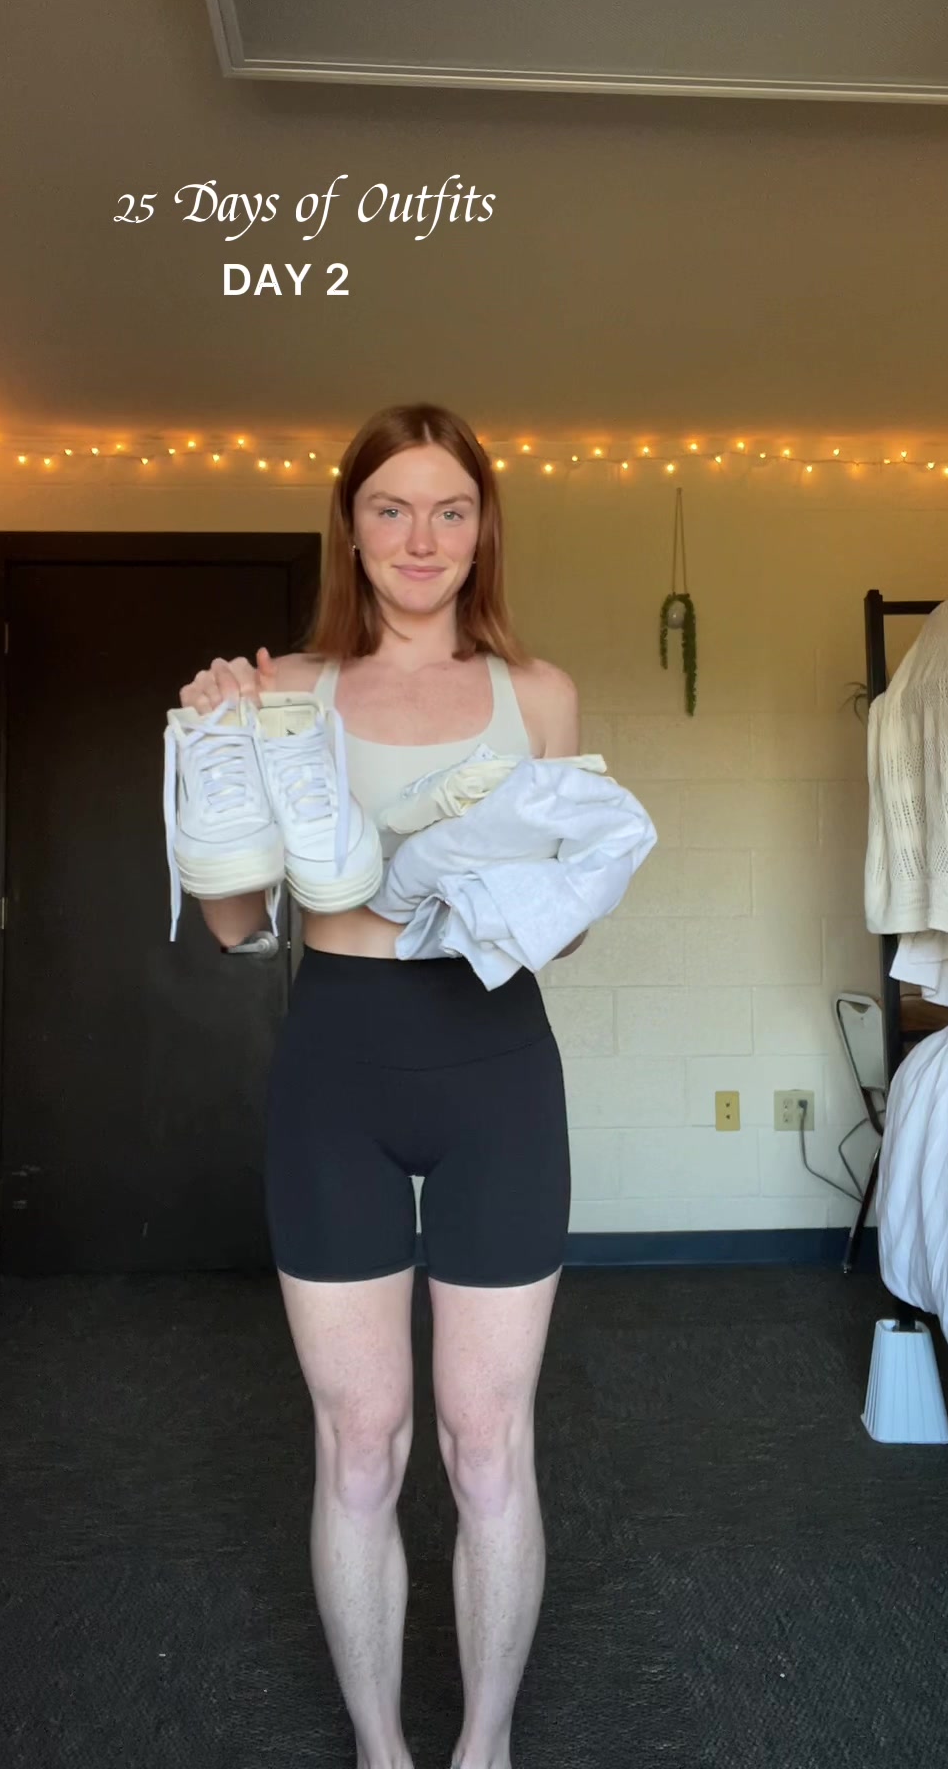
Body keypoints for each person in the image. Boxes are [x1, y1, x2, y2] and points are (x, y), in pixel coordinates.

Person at [177, 402, 585, 1769]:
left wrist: (535, 885)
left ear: (482, 532)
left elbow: (566, 927)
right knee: (361, 1443)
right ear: (350, 528)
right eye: (392, 508)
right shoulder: (285, 687)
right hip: (336, 1068)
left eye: (450, 510)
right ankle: (379, 1751)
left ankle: (483, 1748)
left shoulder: (539, 696)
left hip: (497, 1067)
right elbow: (235, 922)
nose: (422, 538)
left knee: (488, 1442)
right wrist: (219, 746)